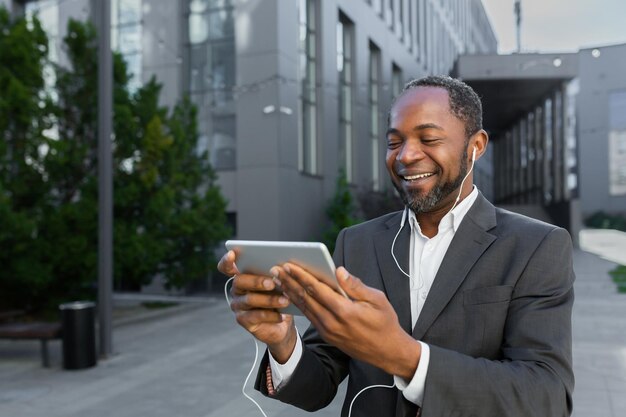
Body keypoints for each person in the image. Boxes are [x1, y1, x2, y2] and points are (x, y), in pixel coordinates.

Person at [218, 75, 574, 417]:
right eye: (394, 142)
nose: (406, 155)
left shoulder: (536, 246)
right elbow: (319, 386)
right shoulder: (356, 242)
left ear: (476, 146)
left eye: (429, 139)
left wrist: (404, 356)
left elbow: (546, 396)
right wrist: (283, 342)